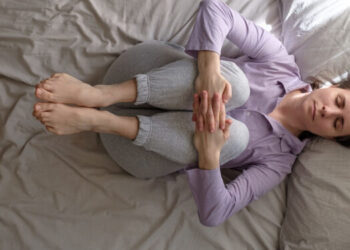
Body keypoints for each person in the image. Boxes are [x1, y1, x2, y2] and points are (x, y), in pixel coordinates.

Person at [32, 0, 350, 227]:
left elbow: (215, 213)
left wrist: (209, 154)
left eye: (337, 123)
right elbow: (215, 8)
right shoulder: (279, 63)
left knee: (235, 137)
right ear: (336, 87)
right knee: (235, 86)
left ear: (330, 137)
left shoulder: (278, 161)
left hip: (133, 146)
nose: (326, 110)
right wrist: (209, 70)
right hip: (139, 73)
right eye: (339, 101)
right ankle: (97, 95)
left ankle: (100, 120)